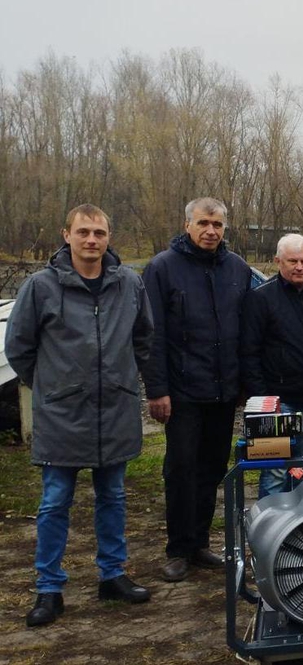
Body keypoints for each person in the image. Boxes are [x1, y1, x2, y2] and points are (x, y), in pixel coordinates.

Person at [6, 204, 154, 627]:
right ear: (65, 234)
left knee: (114, 497)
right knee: (55, 502)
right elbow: (19, 347)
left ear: (109, 237)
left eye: (100, 233)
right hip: (62, 414)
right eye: (83, 232)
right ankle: (49, 587)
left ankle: (112, 574)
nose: (92, 240)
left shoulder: (128, 284)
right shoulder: (41, 286)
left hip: (115, 409)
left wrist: (127, 380)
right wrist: (53, 386)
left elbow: (144, 338)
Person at [142, 197, 251, 583]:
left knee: (212, 469)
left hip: (223, 392)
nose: (211, 231)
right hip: (183, 391)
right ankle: (178, 548)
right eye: (204, 223)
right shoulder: (162, 269)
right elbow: (152, 336)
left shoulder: (237, 268)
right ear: (187, 224)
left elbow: (246, 330)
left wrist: (244, 384)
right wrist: (157, 390)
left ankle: (201, 542)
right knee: (181, 469)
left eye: (218, 225)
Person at [240, 233, 303, 498]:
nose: (299, 267)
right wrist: (262, 399)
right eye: (292, 261)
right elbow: (249, 352)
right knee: (275, 471)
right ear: (277, 261)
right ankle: (267, 528)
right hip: (277, 403)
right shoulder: (261, 298)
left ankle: (300, 527)